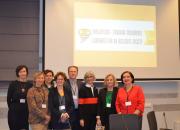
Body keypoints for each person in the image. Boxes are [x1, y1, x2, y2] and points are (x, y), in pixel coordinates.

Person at [7, 65, 32, 130]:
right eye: (20, 71)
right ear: (18, 73)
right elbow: (8, 99)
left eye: (24, 71)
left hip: (25, 111)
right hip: (14, 112)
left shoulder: (30, 85)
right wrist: (13, 108)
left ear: (27, 72)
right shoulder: (13, 84)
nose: (23, 73)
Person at [65, 65, 82, 130]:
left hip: (79, 112)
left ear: (77, 73)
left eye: (74, 71)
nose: (73, 73)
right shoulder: (64, 84)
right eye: (71, 71)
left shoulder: (81, 84)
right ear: (68, 73)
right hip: (68, 111)